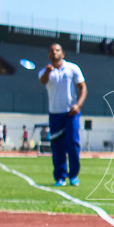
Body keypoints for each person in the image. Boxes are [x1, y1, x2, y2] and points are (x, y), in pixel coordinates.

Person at [38, 43, 87, 186]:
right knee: (57, 146)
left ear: (63, 54)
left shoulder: (72, 68)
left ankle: (73, 176)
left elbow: (83, 87)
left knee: (72, 143)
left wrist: (78, 105)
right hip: (55, 114)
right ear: (49, 54)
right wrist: (48, 72)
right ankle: (60, 177)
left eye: (57, 50)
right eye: (52, 50)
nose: (54, 53)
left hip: (71, 113)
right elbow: (43, 81)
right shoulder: (45, 71)